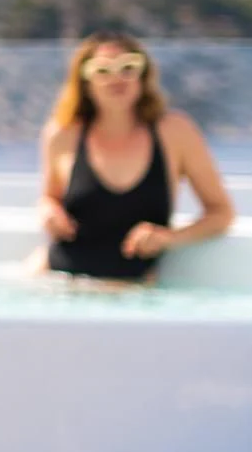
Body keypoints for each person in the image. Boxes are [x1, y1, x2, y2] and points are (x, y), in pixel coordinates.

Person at [39, 31, 232, 281]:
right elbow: (49, 197)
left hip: (132, 290)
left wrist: (169, 238)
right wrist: (49, 213)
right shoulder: (62, 133)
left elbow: (221, 213)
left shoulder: (176, 132)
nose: (116, 78)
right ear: (85, 81)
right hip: (56, 280)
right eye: (102, 70)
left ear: (144, 75)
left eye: (128, 67)